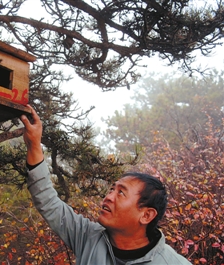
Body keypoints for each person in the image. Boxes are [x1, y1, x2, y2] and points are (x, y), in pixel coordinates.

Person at [19, 105, 191, 265]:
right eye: (111, 190)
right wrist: (34, 145)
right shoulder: (88, 237)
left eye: (121, 193)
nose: (108, 197)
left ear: (146, 215)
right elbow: (48, 202)